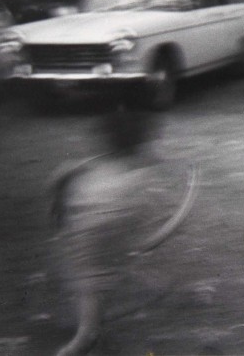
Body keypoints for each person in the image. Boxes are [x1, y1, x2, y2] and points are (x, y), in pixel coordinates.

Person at [51, 106, 198, 356]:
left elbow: (60, 180)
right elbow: (148, 238)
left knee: (93, 309)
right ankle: (84, 343)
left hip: (84, 256)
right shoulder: (133, 182)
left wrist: (62, 212)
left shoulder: (94, 173)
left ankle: (92, 339)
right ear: (141, 143)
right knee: (87, 329)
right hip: (100, 261)